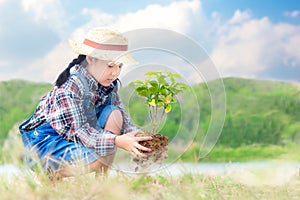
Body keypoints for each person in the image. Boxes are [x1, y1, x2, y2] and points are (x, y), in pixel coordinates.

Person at [19, 27, 152, 179]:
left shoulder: (108, 84)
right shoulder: (71, 87)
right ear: (90, 59)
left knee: (114, 112)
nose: (115, 73)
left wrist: (141, 138)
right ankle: (50, 174)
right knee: (101, 158)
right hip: (47, 141)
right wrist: (117, 141)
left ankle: (100, 183)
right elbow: (84, 133)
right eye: (110, 65)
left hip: (75, 136)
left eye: (120, 66)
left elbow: (124, 120)